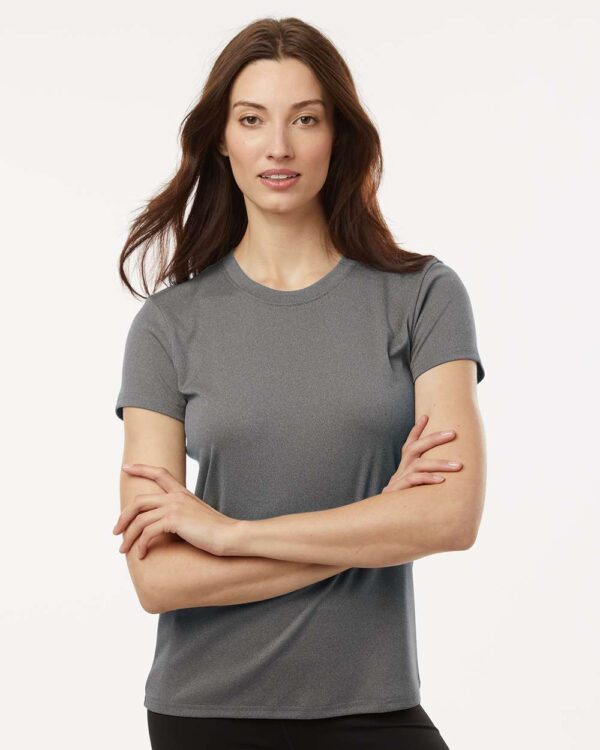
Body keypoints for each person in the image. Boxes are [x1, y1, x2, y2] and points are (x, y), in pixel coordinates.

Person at [113, 16, 486, 750]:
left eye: (305, 119)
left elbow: (450, 517)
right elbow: (160, 580)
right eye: (252, 119)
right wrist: (380, 521)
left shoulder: (422, 297)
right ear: (222, 139)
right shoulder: (167, 325)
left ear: (338, 135)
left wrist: (230, 536)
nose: (278, 146)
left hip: (372, 702)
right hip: (205, 714)